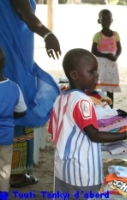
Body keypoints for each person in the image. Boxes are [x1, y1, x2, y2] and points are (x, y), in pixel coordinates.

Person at [48, 48, 127, 197]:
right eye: (91, 72)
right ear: (74, 75)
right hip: (82, 173)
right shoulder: (83, 101)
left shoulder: (61, 98)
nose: (97, 75)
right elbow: (94, 135)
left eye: (96, 71)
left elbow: (53, 131)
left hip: (62, 168)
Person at [0, 0, 61, 187]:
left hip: (9, 52)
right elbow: (23, 11)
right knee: (18, 107)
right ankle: (15, 174)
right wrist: (48, 34)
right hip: (12, 57)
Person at [0, 48, 27, 192]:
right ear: (4, 64)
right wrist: (8, 114)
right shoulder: (14, 88)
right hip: (6, 137)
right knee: (4, 172)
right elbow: (22, 111)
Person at [91, 9, 122, 108]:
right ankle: (101, 108)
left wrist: (116, 56)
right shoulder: (97, 36)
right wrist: (106, 55)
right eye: (103, 19)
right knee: (100, 88)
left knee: (110, 89)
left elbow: (119, 48)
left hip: (111, 67)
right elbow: (93, 50)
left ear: (112, 20)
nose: (106, 21)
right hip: (101, 67)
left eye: (108, 19)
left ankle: (110, 109)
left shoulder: (115, 35)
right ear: (99, 21)